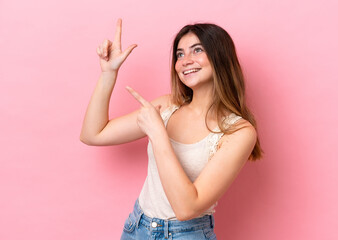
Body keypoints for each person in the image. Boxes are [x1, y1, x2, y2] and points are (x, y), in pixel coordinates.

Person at [80, 18, 263, 240]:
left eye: (197, 50)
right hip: (137, 228)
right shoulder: (167, 106)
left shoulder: (239, 132)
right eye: (179, 54)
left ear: (220, 57)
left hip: (186, 234)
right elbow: (93, 134)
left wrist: (158, 134)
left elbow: (187, 208)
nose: (185, 60)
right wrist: (108, 73)